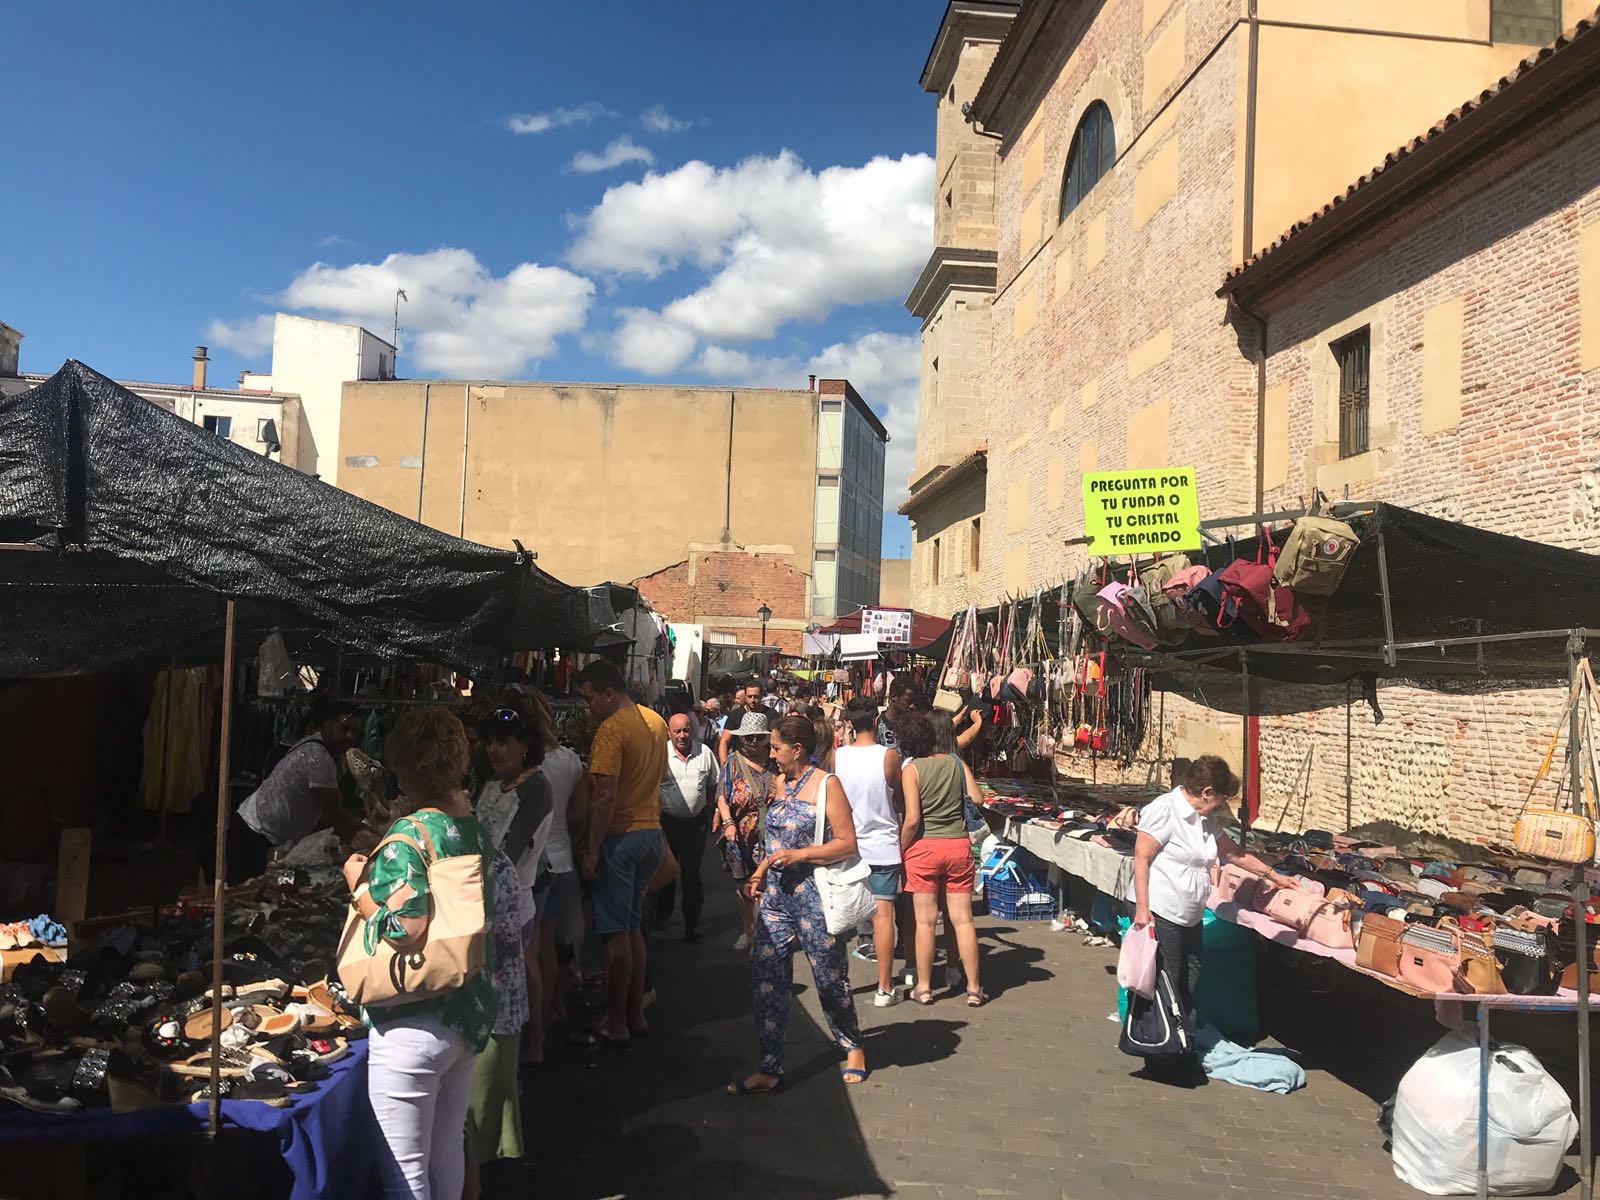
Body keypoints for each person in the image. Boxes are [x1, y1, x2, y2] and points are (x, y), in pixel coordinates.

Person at [343, 708, 495, 1200]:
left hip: (412, 1021)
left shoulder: (407, 836)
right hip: (465, 1010)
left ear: (401, 766)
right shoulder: (469, 824)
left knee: (404, 1176)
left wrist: (359, 888)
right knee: (444, 1152)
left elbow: (406, 928)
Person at [1130, 755, 1293, 1080]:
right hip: (1162, 910)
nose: (1220, 806)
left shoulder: (1204, 820)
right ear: (1206, 791)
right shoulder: (1166, 809)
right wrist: (1142, 909)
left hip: (1190, 913)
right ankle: (1161, 1057)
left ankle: (1182, 1046)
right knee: (1168, 983)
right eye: (1219, 799)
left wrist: (1274, 875)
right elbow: (1141, 857)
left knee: (1189, 979)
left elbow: (1233, 853)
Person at [727, 715, 867, 1094]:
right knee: (767, 981)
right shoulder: (778, 783)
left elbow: (846, 843)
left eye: (776, 747)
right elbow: (772, 844)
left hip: (814, 899)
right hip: (774, 899)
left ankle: (851, 1045)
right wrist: (758, 873)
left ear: (798, 749)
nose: (771, 755)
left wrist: (801, 854)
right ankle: (769, 1066)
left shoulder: (826, 786)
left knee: (828, 977)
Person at [576, 659, 667, 1048]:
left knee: (616, 933)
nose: (588, 706)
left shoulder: (611, 730)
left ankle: (615, 1020)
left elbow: (605, 794)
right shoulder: (655, 721)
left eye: (589, 698)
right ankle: (635, 1012)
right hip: (650, 833)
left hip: (621, 836)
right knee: (632, 927)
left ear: (608, 694)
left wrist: (592, 848)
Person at [473, 700, 553, 1064]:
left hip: (511, 907)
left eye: (505, 741)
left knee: (505, 993)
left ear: (525, 745)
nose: (495, 749)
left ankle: (514, 1062)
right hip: (478, 902)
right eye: (491, 741)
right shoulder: (492, 782)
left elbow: (509, 852)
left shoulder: (536, 787)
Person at [897, 711, 986, 1007]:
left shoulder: (912, 770)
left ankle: (923, 987)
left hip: (924, 849)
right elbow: (977, 799)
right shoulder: (956, 763)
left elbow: (911, 820)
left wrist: (901, 848)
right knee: (963, 921)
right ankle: (974, 988)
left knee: (924, 922)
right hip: (958, 847)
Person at [463, 849, 533, 1199]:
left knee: (471, 1131)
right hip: (494, 1008)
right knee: (477, 1127)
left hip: (483, 1013)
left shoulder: (474, 865)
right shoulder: (491, 856)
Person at [234, 696, 362, 880]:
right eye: (343, 729)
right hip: (255, 833)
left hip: (258, 829)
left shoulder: (320, 749)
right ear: (326, 724)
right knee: (248, 891)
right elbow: (335, 814)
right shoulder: (318, 758)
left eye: (354, 731)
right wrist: (369, 833)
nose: (349, 736)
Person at [835, 697, 903, 1006]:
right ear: (876, 721)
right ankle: (884, 987)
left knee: (843, 916)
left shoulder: (837, 757)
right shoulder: (889, 757)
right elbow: (898, 799)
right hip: (883, 847)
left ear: (848, 723)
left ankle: (841, 982)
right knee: (883, 916)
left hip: (847, 847)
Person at [529, 693, 582, 1028]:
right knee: (553, 944)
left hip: (534, 864)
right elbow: (580, 812)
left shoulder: (527, 766)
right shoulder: (571, 760)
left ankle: (533, 1027)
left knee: (531, 951)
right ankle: (549, 1010)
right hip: (563, 858)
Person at [714, 710, 775, 952]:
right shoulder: (731, 763)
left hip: (769, 834)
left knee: (761, 886)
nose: (751, 742)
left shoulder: (774, 763)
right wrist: (728, 823)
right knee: (742, 886)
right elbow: (721, 797)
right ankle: (748, 929)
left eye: (756, 737)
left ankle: (761, 935)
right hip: (739, 835)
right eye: (746, 737)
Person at [656, 711, 718, 943]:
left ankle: (691, 924)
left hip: (695, 825)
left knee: (691, 875)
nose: (682, 735)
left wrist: (715, 812)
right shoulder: (660, 754)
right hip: (666, 824)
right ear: (669, 733)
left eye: (686, 730)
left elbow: (713, 783)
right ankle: (661, 917)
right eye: (677, 731)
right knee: (666, 872)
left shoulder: (704, 753)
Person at [876, 677, 917, 749]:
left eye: (913, 702)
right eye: (908, 701)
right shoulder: (877, 726)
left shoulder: (912, 726)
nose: (911, 706)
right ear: (894, 696)